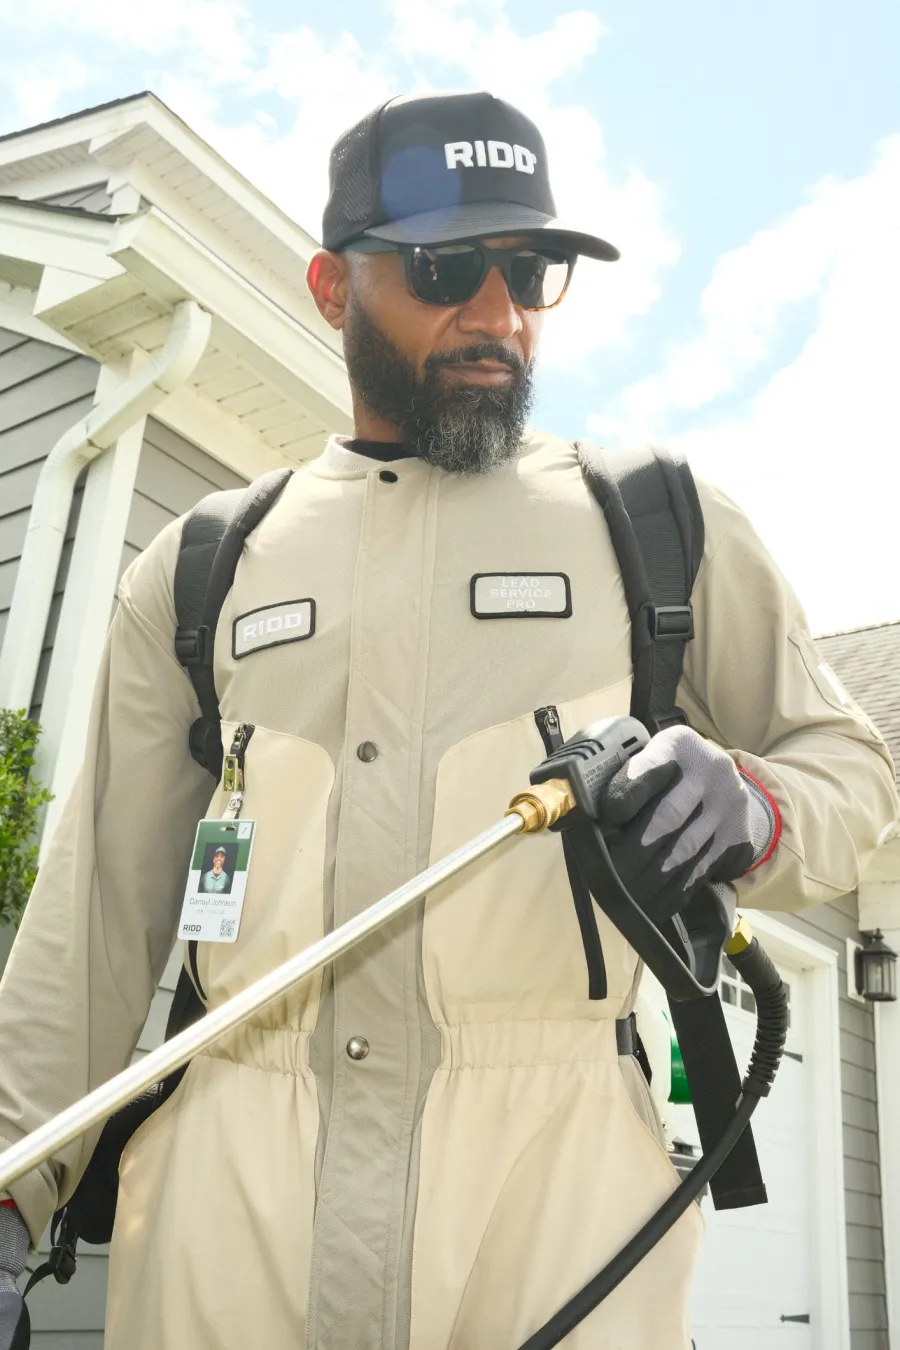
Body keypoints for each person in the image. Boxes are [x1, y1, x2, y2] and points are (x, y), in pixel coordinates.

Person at [0, 90, 896, 1350]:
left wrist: (763, 804)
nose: (498, 312)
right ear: (330, 286)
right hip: (225, 1206)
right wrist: (9, 1186)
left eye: (529, 268)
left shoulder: (658, 523)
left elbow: (855, 769)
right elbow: (93, 908)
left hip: (563, 1198)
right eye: (444, 268)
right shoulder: (203, 566)